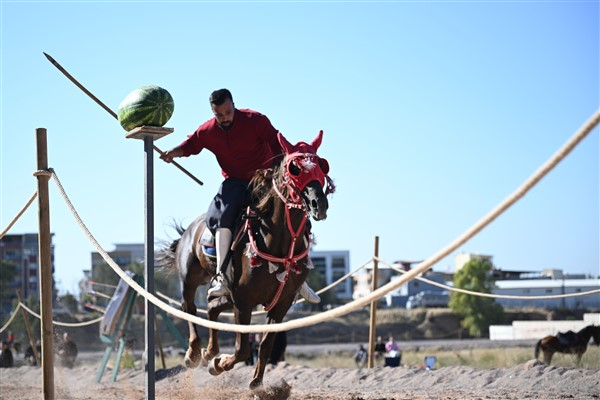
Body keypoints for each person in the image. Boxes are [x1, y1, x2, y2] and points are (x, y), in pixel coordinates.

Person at [160, 88, 319, 303]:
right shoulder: (208, 130)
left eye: (228, 112)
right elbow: (191, 145)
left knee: (294, 211)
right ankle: (221, 278)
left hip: (266, 179)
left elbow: (279, 145)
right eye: (219, 115)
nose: (225, 118)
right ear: (213, 112)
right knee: (221, 215)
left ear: (233, 105)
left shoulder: (256, 120)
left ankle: (300, 281)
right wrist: (172, 153)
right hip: (235, 182)